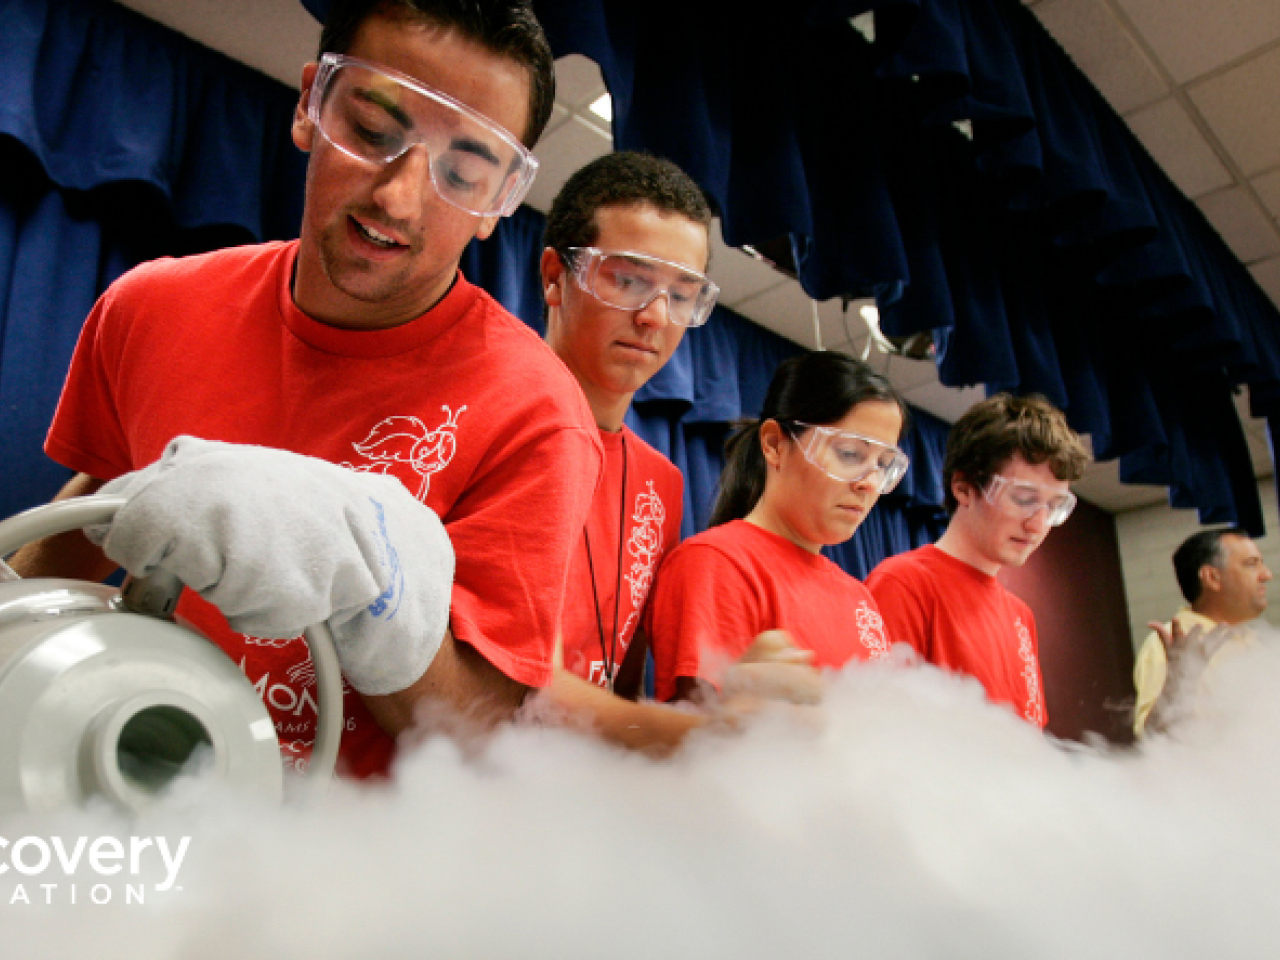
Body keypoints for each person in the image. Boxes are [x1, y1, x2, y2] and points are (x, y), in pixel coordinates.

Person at [10, 0, 602, 778]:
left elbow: (477, 735)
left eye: (462, 171)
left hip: (329, 863)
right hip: (132, 771)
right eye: (372, 130)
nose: (398, 198)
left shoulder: (538, 415)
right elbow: (100, 509)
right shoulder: (151, 307)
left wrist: (380, 592)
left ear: (498, 202)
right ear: (309, 107)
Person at [646, 351, 910, 702]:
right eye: (849, 454)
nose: (869, 483)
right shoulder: (718, 562)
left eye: (883, 465)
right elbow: (698, 737)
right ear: (774, 444)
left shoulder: (857, 596)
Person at [866, 394, 1089, 728]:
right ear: (965, 487)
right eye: (1024, 499)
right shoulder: (905, 584)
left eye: (1054, 506)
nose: (1038, 524)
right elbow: (881, 731)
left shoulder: (1020, 617)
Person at [1132, 527, 1272, 737]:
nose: (1266, 575)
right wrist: (1177, 683)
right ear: (1212, 577)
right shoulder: (1174, 644)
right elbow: (1156, 742)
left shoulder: (1255, 641)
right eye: (1251, 564)